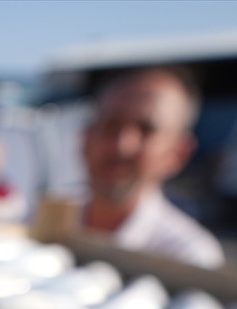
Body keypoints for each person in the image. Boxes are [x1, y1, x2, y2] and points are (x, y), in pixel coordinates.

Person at [80, 68, 225, 269]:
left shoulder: (187, 257)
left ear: (178, 153)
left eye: (146, 130)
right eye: (110, 125)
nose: (122, 146)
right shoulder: (39, 218)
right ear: (86, 139)